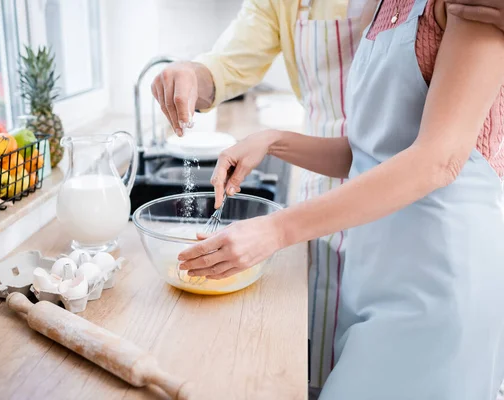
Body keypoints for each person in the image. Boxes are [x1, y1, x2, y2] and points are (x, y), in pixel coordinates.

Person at [152, 0, 504, 398]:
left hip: (442, 282)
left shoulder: (472, 7)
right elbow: (373, 152)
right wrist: (273, 140)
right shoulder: (389, 7)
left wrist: (276, 229)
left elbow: (439, 160)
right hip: (377, 274)